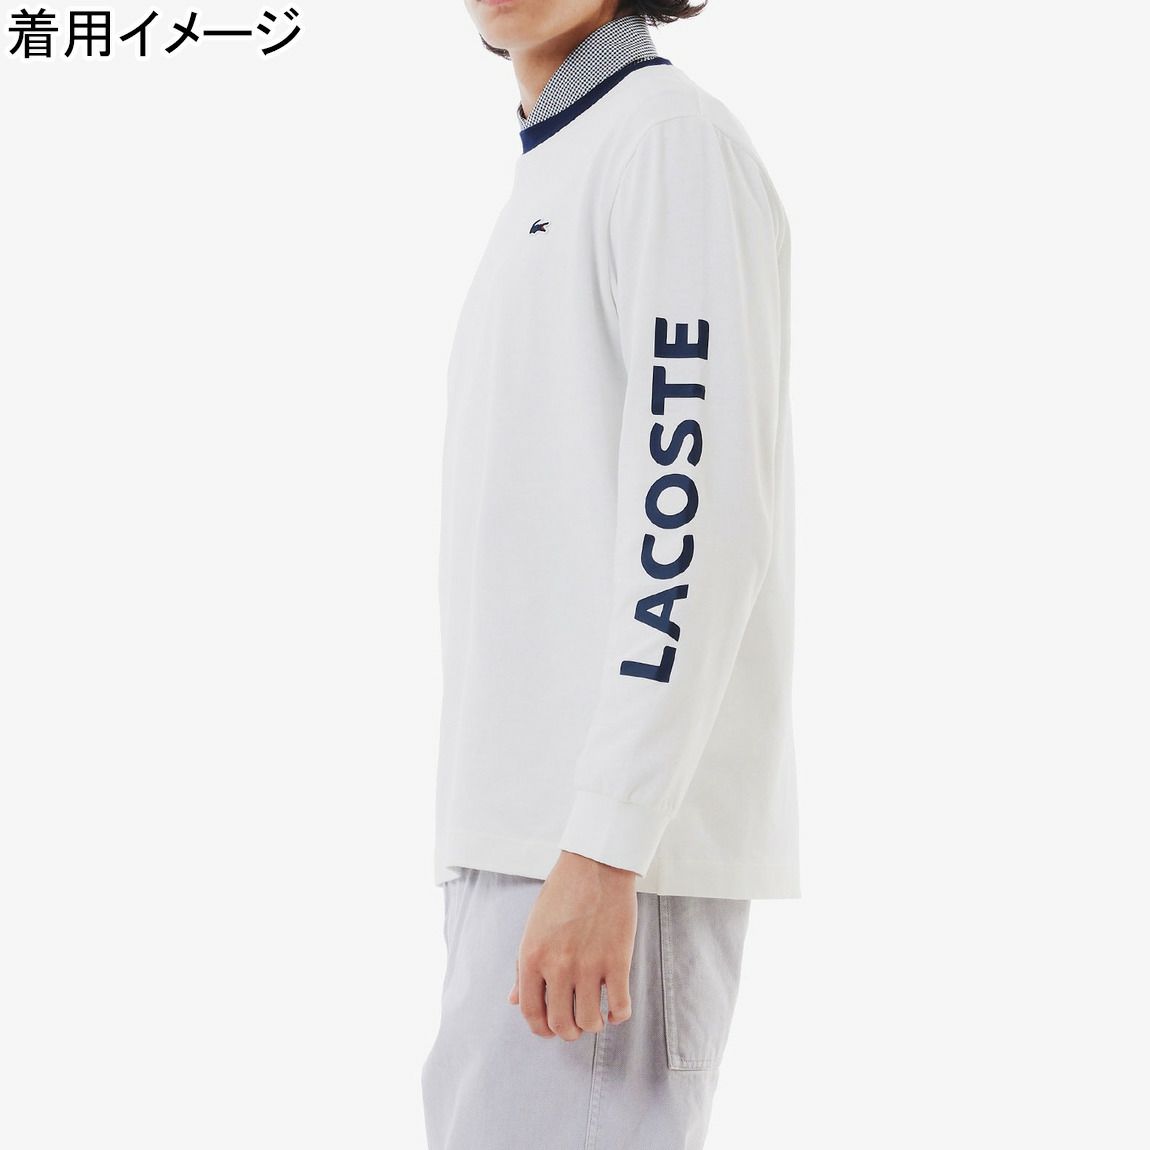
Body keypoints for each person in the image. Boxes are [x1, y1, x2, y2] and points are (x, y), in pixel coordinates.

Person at [421, 2, 798, 1146]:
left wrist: (604, 843)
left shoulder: (665, 142)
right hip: (521, 845)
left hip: (600, 854)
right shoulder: (560, 162)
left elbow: (694, 519)